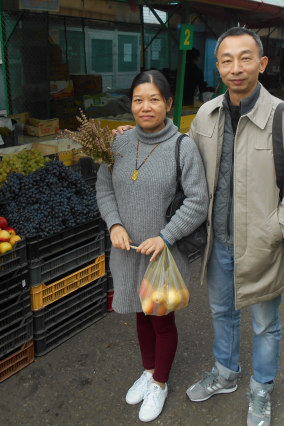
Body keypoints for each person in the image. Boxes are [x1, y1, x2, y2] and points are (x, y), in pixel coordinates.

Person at [114, 27, 284, 426]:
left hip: (262, 242)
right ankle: (225, 374)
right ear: (217, 66)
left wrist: (276, 229)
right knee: (222, 313)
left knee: (265, 324)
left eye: (245, 58)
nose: (235, 67)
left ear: (262, 63)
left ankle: (261, 390)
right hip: (217, 241)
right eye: (226, 59)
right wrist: (130, 137)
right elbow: (176, 157)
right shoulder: (206, 114)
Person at [96, 70, 209, 422]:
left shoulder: (182, 146)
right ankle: (148, 372)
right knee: (138, 313)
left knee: (160, 320)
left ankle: (159, 383)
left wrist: (165, 236)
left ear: (169, 104)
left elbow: (197, 200)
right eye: (138, 100)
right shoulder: (117, 143)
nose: (146, 107)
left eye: (154, 99)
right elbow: (104, 187)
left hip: (163, 254)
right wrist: (114, 223)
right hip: (126, 252)